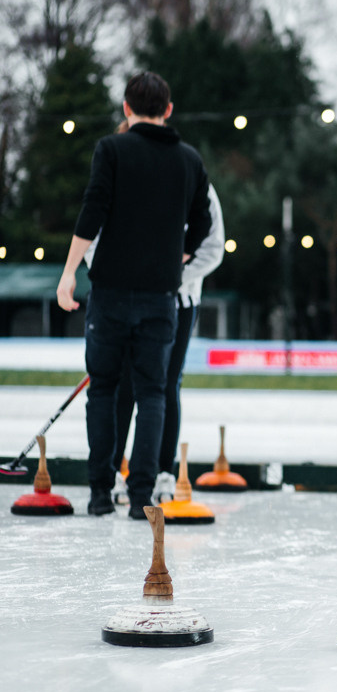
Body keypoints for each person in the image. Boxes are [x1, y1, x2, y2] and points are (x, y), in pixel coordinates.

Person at [56, 71, 212, 520]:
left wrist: (69, 273)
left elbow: (93, 210)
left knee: (103, 390)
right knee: (153, 394)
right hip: (161, 298)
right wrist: (175, 257)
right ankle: (141, 492)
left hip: (109, 294)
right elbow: (203, 224)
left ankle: (100, 491)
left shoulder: (111, 149)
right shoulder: (189, 160)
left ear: (126, 108)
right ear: (168, 110)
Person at [102, 184, 225, 505]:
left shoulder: (197, 185)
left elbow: (213, 249)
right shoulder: (125, 173)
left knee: (167, 384)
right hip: (130, 298)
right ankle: (114, 471)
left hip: (179, 302)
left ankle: (163, 472)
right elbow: (97, 237)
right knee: (125, 383)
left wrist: (170, 278)